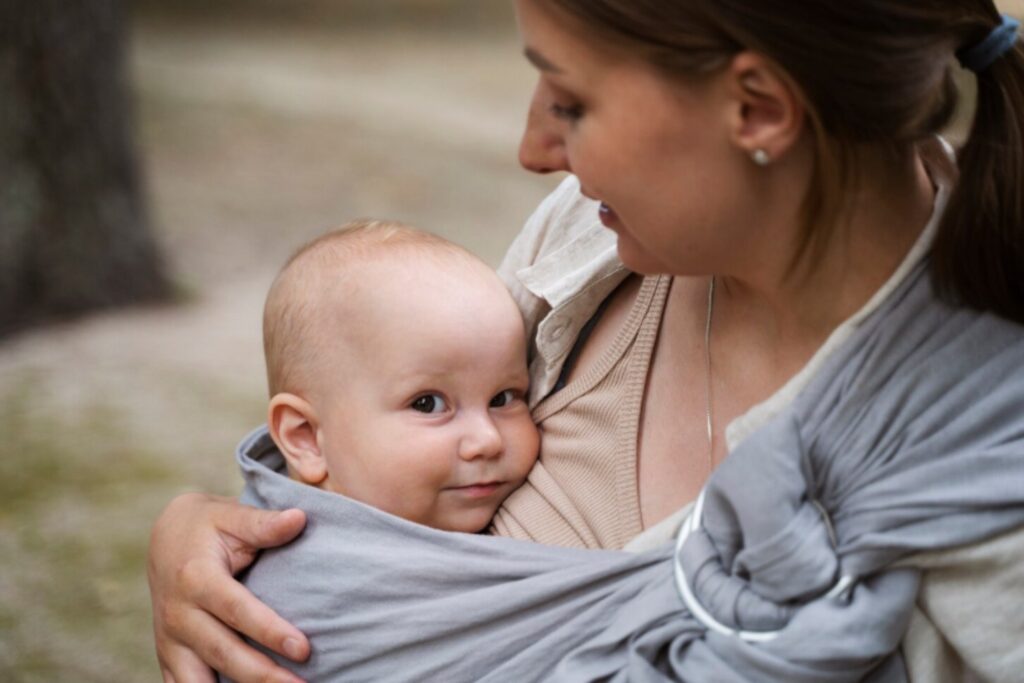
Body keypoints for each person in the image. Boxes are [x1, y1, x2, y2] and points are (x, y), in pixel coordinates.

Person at [147, 1, 1024, 681]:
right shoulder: (593, 243)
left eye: (570, 100)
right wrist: (210, 542)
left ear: (757, 109)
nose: (533, 148)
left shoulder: (982, 457)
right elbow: (365, 454)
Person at [254, 219, 538, 534]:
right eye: (427, 404)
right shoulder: (340, 563)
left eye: (502, 398)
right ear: (306, 437)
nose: (488, 440)